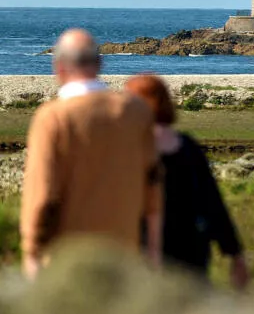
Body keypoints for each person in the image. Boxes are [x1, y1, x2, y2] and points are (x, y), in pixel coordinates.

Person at [20, 28, 162, 279]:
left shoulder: (53, 118)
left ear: (59, 67)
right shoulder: (136, 112)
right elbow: (153, 192)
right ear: (99, 63)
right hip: (124, 259)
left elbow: (42, 194)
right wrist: (152, 253)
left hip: (69, 262)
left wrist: (32, 253)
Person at [124, 74, 249, 291]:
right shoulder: (187, 146)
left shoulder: (126, 149)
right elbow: (212, 203)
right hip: (190, 245)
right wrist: (234, 252)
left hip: (141, 247)